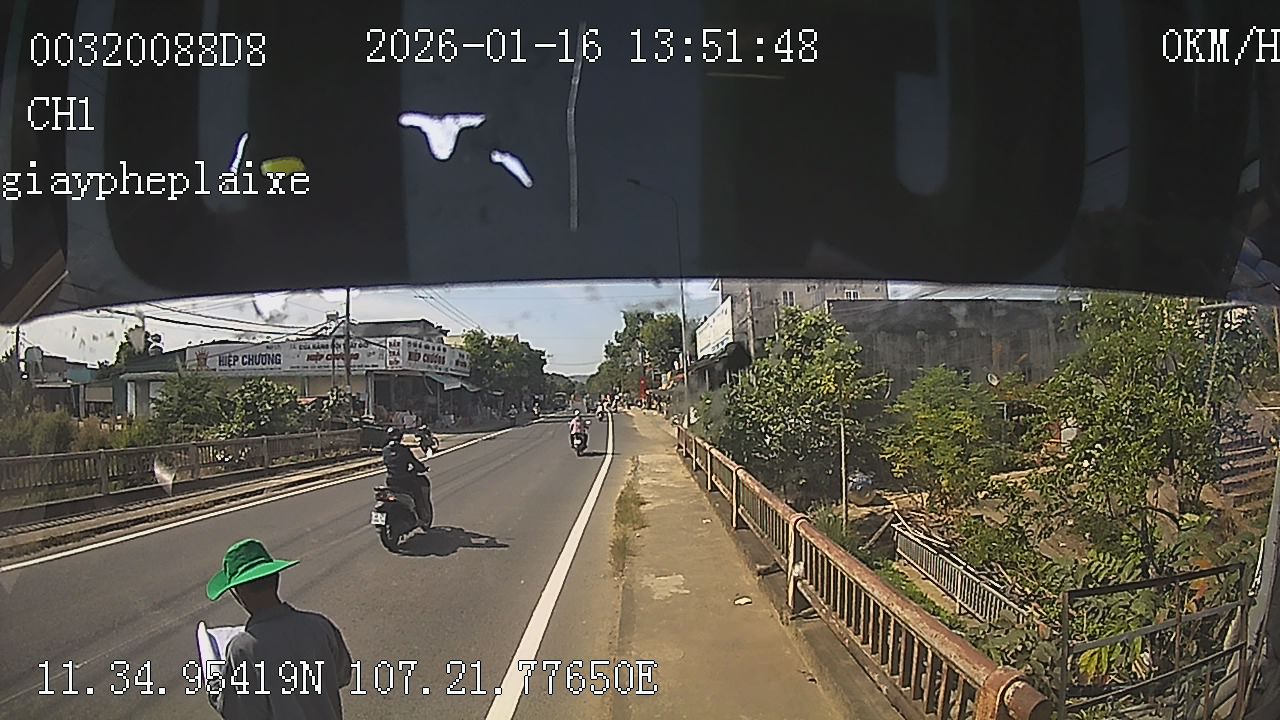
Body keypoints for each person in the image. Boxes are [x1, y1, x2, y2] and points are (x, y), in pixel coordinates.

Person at [205, 538, 352, 720]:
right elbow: (343, 676)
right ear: (276, 578)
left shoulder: (242, 650)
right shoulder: (320, 626)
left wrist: (215, 686)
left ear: (239, 593)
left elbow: (240, 712)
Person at [381, 426, 431, 526]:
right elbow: (414, 462)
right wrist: (422, 468)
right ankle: (422, 517)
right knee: (418, 495)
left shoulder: (385, 450)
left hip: (390, 480)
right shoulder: (403, 450)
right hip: (404, 480)